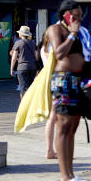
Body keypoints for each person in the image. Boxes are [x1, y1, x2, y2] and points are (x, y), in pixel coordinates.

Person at [47, 0, 90, 181]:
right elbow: (59, 53)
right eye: (76, 15)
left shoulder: (80, 32)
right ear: (66, 15)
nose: (79, 18)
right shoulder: (56, 30)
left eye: (81, 15)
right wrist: (72, 34)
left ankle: (70, 174)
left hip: (78, 80)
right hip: (63, 80)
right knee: (63, 126)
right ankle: (64, 177)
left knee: (73, 127)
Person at [39, 31, 57, 160]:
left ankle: (49, 149)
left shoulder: (42, 49)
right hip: (57, 81)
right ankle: (53, 150)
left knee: (52, 118)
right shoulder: (54, 50)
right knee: (59, 117)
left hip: (45, 81)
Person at [10, 25, 38, 98]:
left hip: (22, 68)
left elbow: (13, 57)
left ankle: (25, 106)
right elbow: (37, 56)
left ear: (21, 34)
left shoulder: (18, 43)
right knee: (31, 87)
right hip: (32, 67)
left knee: (23, 88)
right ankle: (31, 104)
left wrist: (12, 69)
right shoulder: (33, 43)